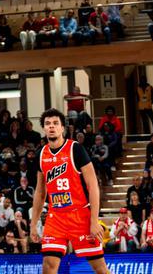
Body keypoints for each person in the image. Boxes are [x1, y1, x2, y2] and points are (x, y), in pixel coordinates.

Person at [30, 108, 109, 273]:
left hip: (80, 215)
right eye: (48, 124)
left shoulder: (76, 149)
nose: (51, 127)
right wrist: (33, 224)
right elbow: (39, 192)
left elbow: (93, 185)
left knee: (100, 269)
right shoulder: (41, 154)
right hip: (55, 217)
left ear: (62, 128)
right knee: (49, 265)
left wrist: (94, 220)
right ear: (43, 128)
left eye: (55, 123)